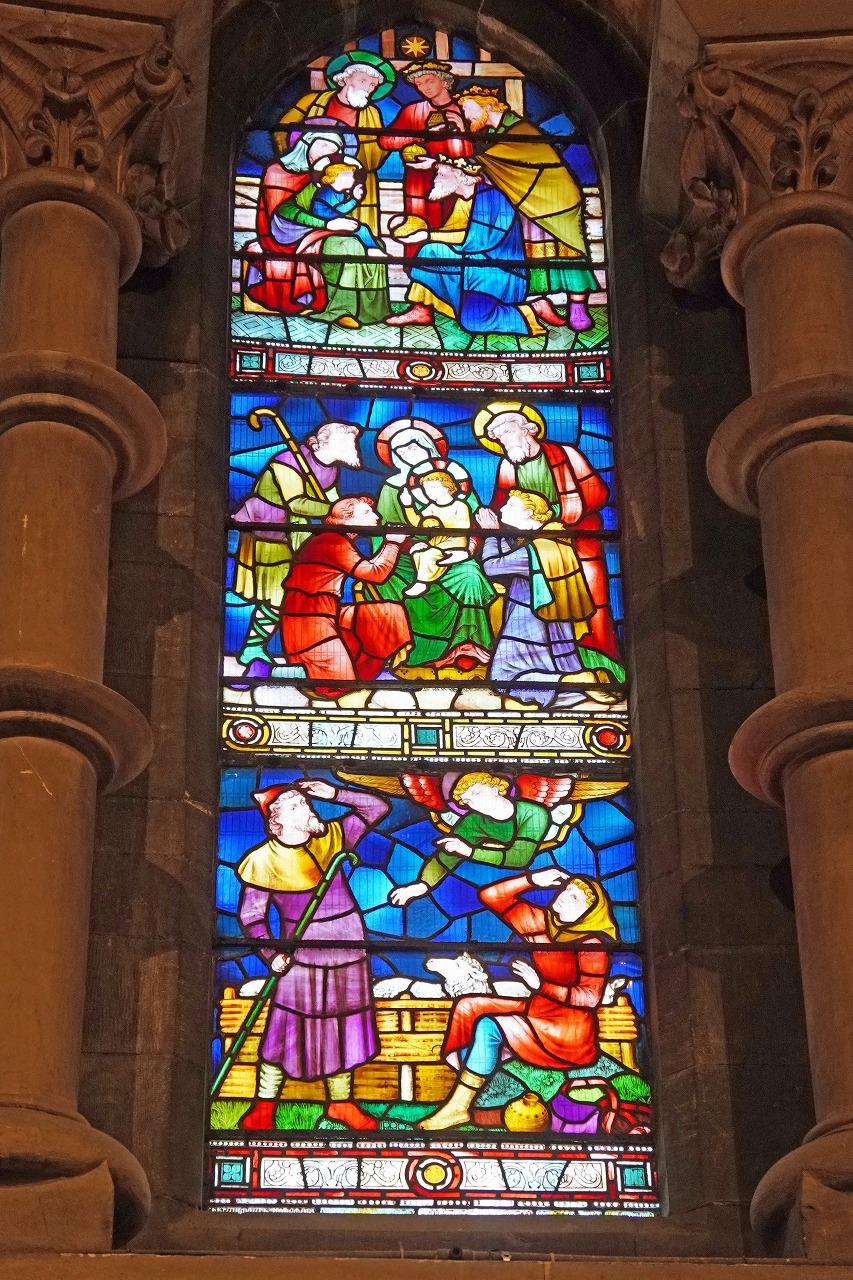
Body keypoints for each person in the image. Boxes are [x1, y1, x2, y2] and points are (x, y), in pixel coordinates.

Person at [237, 778, 389, 1131]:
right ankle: (264, 1105)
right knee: (285, 1027)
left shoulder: (333, 837)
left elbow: (377, 807)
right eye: (295, 806)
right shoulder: (262, 861)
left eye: (305, 803)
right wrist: (271, 953)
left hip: (348, 947)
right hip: (300, 954)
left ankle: (341, 1104)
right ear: (276, 819)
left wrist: (334, 793)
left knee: (345, 1025)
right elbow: (252, 916)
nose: (306, 808)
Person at [419, 868, 617, 1130]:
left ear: (589, 914)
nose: (563, 896)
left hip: (566, 1031)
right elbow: (491, 896)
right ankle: (477, 1074)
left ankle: (459, 1107)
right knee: (470, 1006)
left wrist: (541, 985)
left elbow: (590, 997)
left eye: (574, 898)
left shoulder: (592, 945)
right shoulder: (541, 924)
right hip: (538, 1011)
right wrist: (532, 879)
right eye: (566, 890)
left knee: (489, 1026)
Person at [476, 401, 621, 674]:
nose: (503, 440)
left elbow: (598, 493)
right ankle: (554, 658)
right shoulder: (508, 466)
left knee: (593, 595)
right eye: (498, 437)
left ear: (527, 429)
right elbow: (501, 506)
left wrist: (553, 513)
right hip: (531, 542)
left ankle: (599, 648)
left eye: (506, 432)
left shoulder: (566, 454)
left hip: (578, 536)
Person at [456, 85, 600, 332]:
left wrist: (461, 165)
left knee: (570, 252)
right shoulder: (499, 135)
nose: (467, 116)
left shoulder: (520, 130)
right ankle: (539, 303)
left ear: (488, 104)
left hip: (556, 200)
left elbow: (494, 162)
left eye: (468, 108)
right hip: (526, 201)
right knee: (535, 255)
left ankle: (578, 307)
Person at [230, 418, 362, 677]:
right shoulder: (287, 463)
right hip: (268, 531)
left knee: (299, 592)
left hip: (298, 533)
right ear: (319, 443)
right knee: (277, 594)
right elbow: (297, 503)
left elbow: (330, 497)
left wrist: (346, 514)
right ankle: (253, 647)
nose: (352, 447)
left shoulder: (331, 468)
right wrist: (335, 511)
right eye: (346, 442)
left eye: (351, 442)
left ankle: (303, 648)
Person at [372, 418, 495, 671]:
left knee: (471, 576)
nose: (406, 454)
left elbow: (476, 527)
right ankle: (407, 650)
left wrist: (467, 551)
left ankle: (468, 646)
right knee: (392, 581)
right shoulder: (392, 489)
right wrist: (412, 547)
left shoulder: (455, 484)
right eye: (399, 450)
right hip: (407, 558)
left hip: (454, 553)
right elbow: (385, 532)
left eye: (412, 447)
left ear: (429, 447)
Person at [389, 154, 556, 336]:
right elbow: (453, 237)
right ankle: (422, 309)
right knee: (430, 251)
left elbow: (477, 239)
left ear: (461, 176)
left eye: (441, 175)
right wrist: (435, 164)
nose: (436, 179)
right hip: (473, 266)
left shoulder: (492, 198)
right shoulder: (464, 201)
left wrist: (427, 234)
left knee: (474, 320)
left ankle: (534, 308)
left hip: (499, 273)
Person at [280, 496, 411, 700]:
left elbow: (370, 567)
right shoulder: (331, 541)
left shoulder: (336, 539)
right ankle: (285, 672)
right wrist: (393, 542)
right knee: (337, 685)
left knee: (389, 615)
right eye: (367, 513)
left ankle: (363, 674)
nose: (376, 516)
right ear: (346, 519)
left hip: (329, 614)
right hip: (307, 622)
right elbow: (376, 573)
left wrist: (390, 543)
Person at [476, 489, 597, 706]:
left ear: (529, 513)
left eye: (511, 505)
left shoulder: (533, 549)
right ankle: (574, 680)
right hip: (556, 628)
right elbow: (511, 561)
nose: (502, 509)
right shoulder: (553, 542)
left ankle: (565, 681)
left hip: (527, 625)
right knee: (550, 666)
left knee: (503, 676)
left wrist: (491, 534)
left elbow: (493, 566)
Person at [389, 771, 552, 908]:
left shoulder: (533, 813)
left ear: (495, 788)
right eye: (467, 801)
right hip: (490, 884)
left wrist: (469, 851)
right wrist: (422, 885)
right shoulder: (473, 822)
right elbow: (445, 859)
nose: (475, 803)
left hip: (544, 880)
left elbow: (520, 857)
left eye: (476, 793)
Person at [278, 50, 395, 237]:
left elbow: (375, 155)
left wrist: (389, 143)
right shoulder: (312, 101)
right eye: (363, 80)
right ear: (345, 79)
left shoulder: (372, 113)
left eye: (373, 85)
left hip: (354, 179)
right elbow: (282, 130)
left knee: (357, 234)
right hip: (311, 177)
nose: (368, 88)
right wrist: (304, 159)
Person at [244, 124, 354, 315]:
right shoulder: (276, 171)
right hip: (281, 231)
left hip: (313, 228)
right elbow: (279, 213)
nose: (328, 153)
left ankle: (344, 308)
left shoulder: (323, 176)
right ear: (306, 143)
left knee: (351, 242)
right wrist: (327, 224)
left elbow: (326, 207)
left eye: (334, 150)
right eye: (324, 145)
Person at [378, 60, 470, 247]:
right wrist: (419, 136)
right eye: (419, 84)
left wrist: (461, 130)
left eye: (429, 81)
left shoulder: (465, 111)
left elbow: (474, 155)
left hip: (457, 184)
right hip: (419, 185)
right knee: (416, 233)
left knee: (456, 233)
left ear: (444, 81)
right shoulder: (413, 111)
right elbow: (385, 141)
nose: (424, 88)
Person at [400, 467, 473, 598]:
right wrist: (408, 505)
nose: (428, 492)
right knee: (418, 553)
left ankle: (421, 582)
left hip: (456, 540)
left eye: (433, 487)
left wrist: (437, 525)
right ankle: (427, 576)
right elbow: (418, 523)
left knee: (430, 554)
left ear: (446, 487)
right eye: (426, 489)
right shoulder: (431, 507)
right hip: (437, 541)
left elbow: (463, 527)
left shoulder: (460, 506)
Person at [309, 165, 385, 255]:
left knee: (361, 228)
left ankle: (374, 250)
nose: (353, 179)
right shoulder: (326, 192)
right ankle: (374, 251)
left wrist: (354, 199)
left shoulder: (341, 193)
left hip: (334, 220)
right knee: (361, 229)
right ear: (339, 178)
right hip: (325, 224)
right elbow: (339, 211)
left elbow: (339, 211)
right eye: (351, 176)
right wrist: (354, 199)